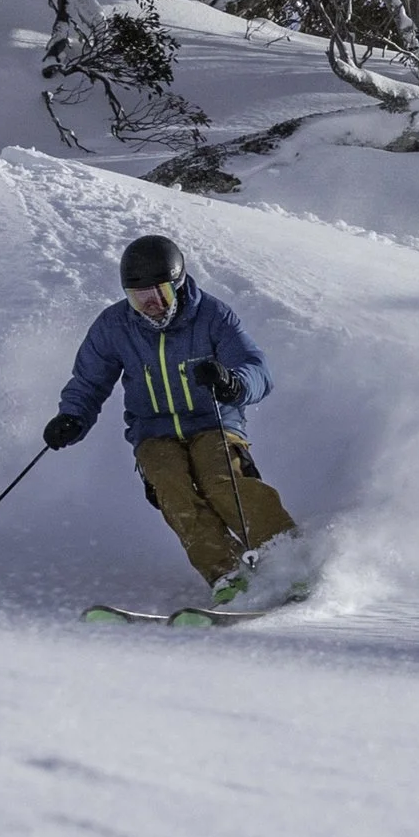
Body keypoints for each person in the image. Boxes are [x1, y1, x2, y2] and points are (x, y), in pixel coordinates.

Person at [43, 233, 300, 593]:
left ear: (177, 286)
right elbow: (90, 379)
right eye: (138, 297)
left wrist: (231, 382)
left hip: (214, 422)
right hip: (153, 431)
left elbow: (256, 367)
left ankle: (287, 556)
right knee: (172, 487)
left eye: (158, 294)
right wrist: (72, 417)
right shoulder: (115, 326)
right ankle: (227, 574)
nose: (150, 305)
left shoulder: (211, 316)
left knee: (221, 479)